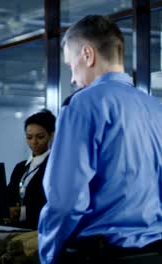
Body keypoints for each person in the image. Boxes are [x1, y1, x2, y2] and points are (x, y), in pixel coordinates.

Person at [38, 15, 162, 264]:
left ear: (87, 54)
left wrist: (48, 255)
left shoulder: (83, 104)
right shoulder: (155, 107)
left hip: (101, 254)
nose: (72, 78)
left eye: (71, 65)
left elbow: (65, 201)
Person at [6, 109, 55, 230]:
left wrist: (22, 213)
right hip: (16, 229)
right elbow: (9, 196)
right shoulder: (20, 167)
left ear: (52, 135)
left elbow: (52, 204)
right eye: (29, 137)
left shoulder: (55, 167)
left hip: (40, 230)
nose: (34, 142)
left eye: (40, 137)